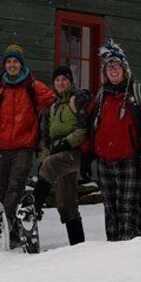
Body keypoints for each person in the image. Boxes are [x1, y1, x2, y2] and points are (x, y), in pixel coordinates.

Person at [0, 44, 54, 248]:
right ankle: (12, 234)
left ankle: (2, 221)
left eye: (15, 61)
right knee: (4, 190)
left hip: (24, 146)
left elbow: (53, 101)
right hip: (2, 147)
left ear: (21, 64)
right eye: (9, 62)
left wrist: (74, 98)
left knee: (16, 185)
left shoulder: (33, 87)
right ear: (4, 65)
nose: (12, 65)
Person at [88, 40, 141, 242]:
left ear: (124, 69)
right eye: (109, 66)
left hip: (130, 160)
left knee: (128, 208)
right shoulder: (101, 95)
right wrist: (89, 154)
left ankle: (128, 252)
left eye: (116, 65)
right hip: (104, 162)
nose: (113, 70)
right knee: (111, 209)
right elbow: (91, 127)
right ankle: (112, 251)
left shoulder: (139, 92)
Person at [33, 65, 90, 246]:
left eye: (64, 79)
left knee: (51, 164)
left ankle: (33, 209)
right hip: (59, 154)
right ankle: (78, 245)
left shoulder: (79, 99)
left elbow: (83, 130)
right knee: (66, 204)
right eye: (57, 80)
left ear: (70, 81)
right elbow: (47, 141)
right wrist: (42, 161)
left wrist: (65, 143)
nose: (60, 82)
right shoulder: (53, 107)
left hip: (76, 152)